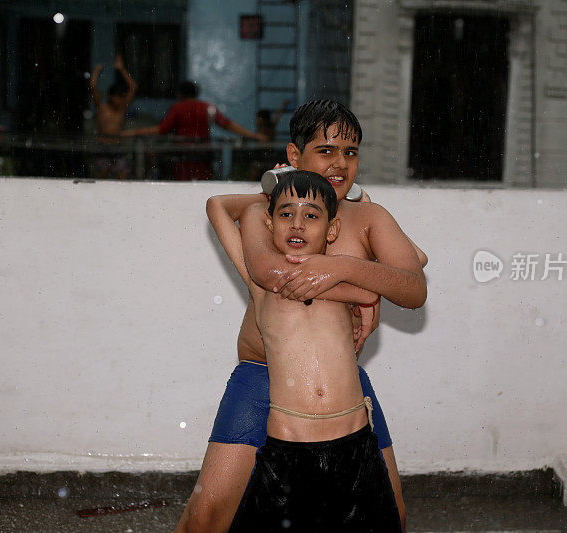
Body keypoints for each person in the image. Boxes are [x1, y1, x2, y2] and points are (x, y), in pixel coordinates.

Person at [175, 100, 427, 533]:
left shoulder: (368, 217)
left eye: (350, 152)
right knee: (206, 519)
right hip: (261, 375)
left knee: (392, 516)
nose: (340, 163)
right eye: (326, 151)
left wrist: (345, 268)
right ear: (295, 156)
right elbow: (225, 212)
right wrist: (273, 189)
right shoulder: (270, 216)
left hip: (340, 387)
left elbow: (415, 286)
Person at [209, 171, 401, 532]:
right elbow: (217, 206)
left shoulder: (345, 277)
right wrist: (266, 194)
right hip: (287, 451)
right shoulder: (261, 279)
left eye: (311, 215)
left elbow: (407, 266)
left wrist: (363, 208)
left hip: (356, 447)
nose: (297, 224)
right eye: (285, 214)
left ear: (332, 230)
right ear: (269, 222)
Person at [122, 81, 267, 180]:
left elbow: (162, 129)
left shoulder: (178, 108)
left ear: (181, 94)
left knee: (183, 185)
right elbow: (227, 124)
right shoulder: (207, 108)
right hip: (203, 155)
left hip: (183, 156)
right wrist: (253, 135)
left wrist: (134, 132)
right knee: (203, 185)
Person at [89, 55, 137, 179]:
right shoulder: (101, 107)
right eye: (116, 97)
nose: (118, 100)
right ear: (110, 97)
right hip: (103, 146)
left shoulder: (121, 108)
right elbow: (93, 86)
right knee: (102, 177)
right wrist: (97, 70)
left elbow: (133, 87)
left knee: (122, 176)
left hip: (117, 146)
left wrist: (122, 70)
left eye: (121, 97)